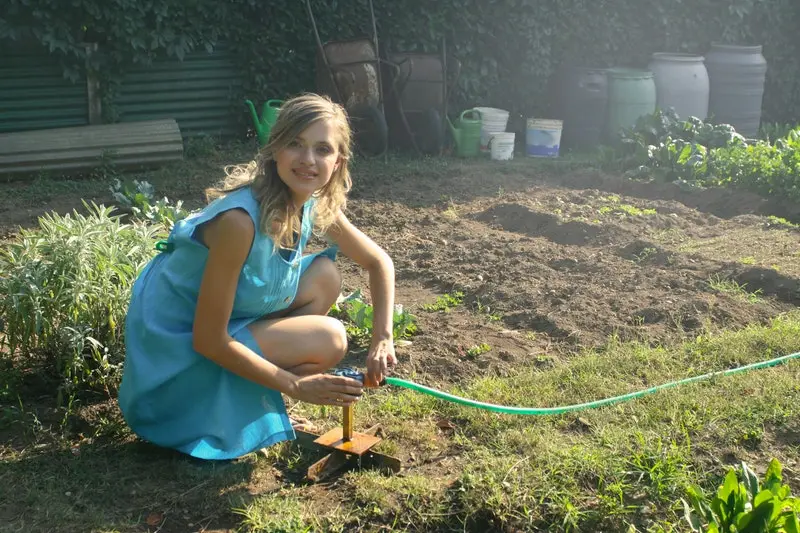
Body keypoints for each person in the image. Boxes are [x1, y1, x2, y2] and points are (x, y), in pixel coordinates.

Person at [118, 93, 397, 460]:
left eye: (322, 149)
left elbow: (378, 261)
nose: (308, 159)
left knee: (325, 275)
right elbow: (207, 340)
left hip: (222, 325)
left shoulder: (310, 201)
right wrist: (296, 385)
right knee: (330, 337)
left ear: (337, 161)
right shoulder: (239, 222)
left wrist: (383, 339)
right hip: (174, 360)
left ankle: (249, 384)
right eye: (295, 144)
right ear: (274, 150)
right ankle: (227, 398)